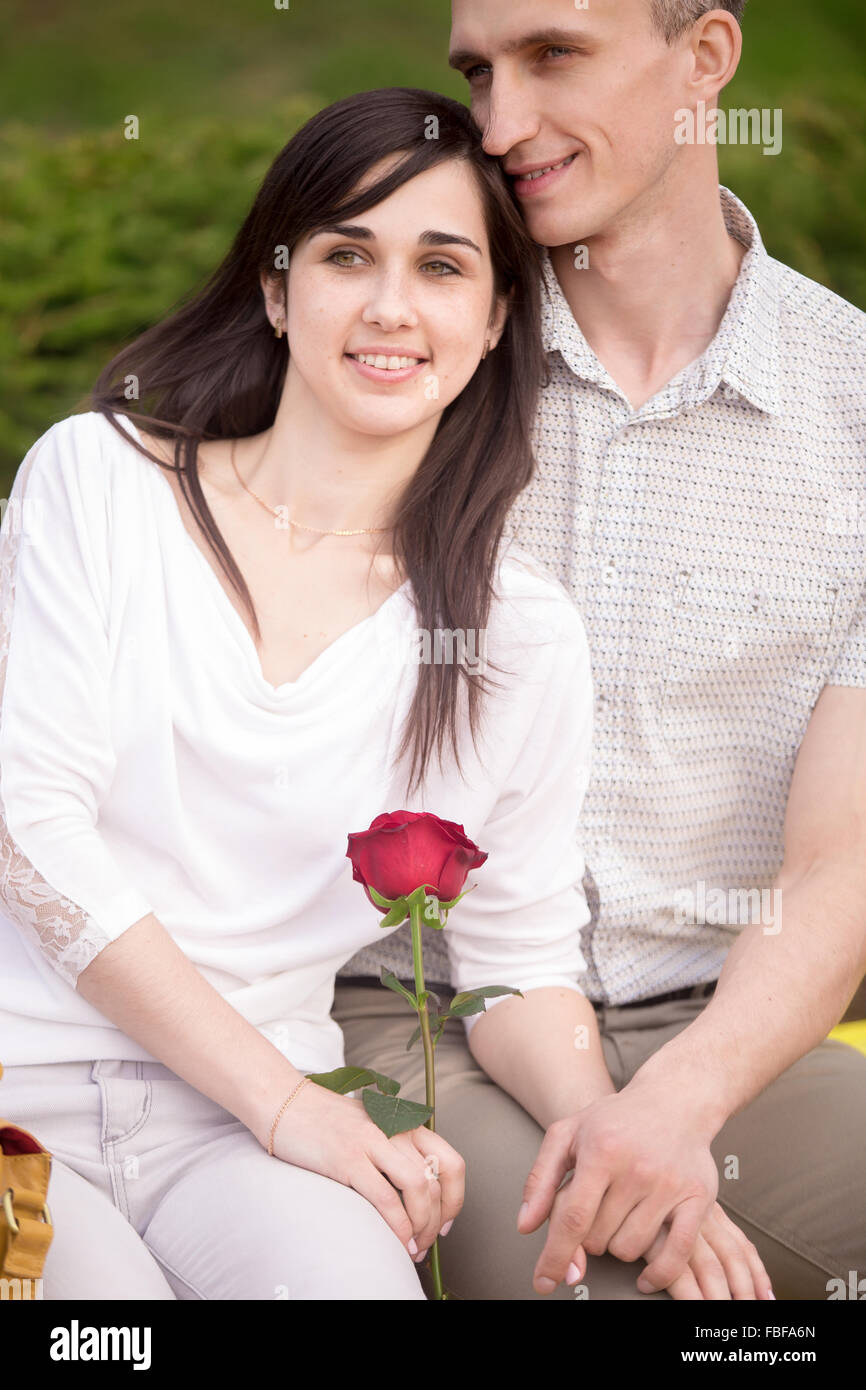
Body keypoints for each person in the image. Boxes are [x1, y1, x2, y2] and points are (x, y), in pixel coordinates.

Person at [0, 85, 768, 1302]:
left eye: (442, 266)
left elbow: (512, 959)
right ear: (275, 287)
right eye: (347, 254)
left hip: (241, 1141)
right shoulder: (99, 482)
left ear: (494, 316)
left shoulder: (515, 636)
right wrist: (290, 1104)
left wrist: (619, 1148)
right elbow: (29, 833)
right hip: (25, 1106)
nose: (390, 306)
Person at [334, 0, 866, 1301]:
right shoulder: (414, 355)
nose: (500, 125)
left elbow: (842, 853)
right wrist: (622, 1148)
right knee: (595, 1289)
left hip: (728, 1029)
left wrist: (679, 1102)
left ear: (705, 58)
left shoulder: (852, 401)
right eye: (477, 72)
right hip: (426, 1005)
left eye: (552, 55)